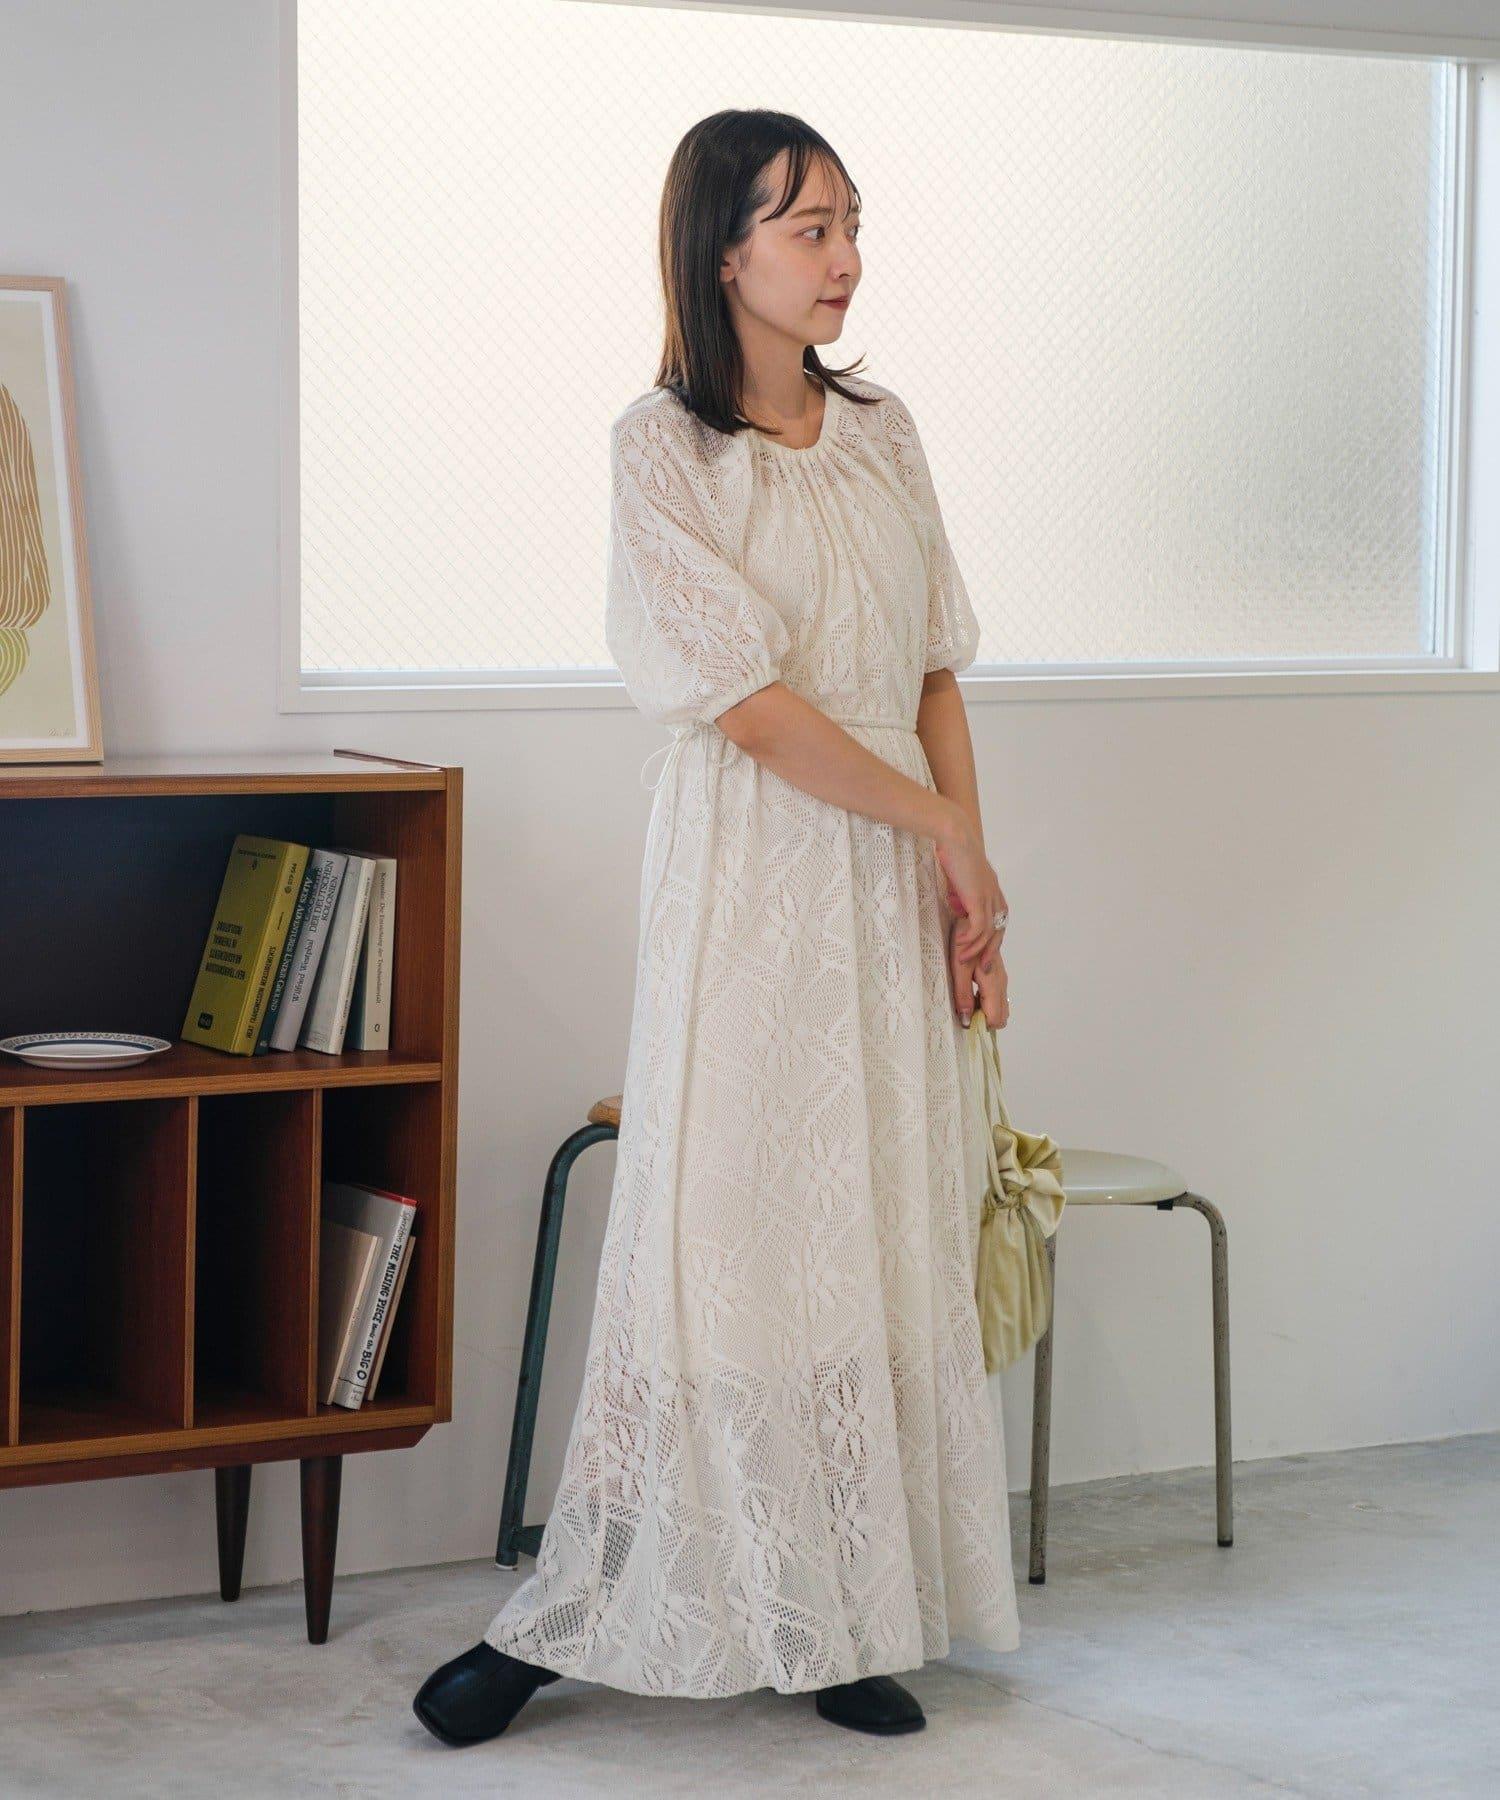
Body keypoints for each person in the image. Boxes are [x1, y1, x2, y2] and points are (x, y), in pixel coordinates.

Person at [414, 108, 1017, 1749]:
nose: (846, 258)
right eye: (810, 227)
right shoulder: (660, 448)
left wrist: (969, 864)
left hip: (888, 875)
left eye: (852, 224)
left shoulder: (885, 432)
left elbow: (933, 668)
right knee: (718, 1238)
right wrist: (938, 828)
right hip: (757, 872)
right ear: (723, 247)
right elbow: (747, 706)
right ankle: (571, 1609)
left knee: (866, 1230)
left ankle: (837, 1617)